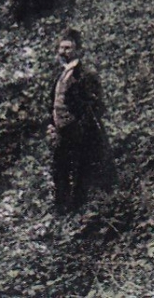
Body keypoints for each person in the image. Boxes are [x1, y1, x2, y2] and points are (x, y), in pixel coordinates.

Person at [47, 28, 110, 212]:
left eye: (67, 48)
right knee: (60, 169)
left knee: (81, 171)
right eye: (61, 48)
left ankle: (79, 210)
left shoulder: (85, 75)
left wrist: (79, 127)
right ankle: (61, 209)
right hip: (62, 131)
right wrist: (52, 125)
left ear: (78, 51)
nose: (63, 52)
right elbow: (53, 103)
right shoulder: (60, 75)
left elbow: (94, 105)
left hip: (80, 132)